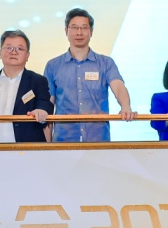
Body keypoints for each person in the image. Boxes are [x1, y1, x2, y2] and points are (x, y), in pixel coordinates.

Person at [43, 8, 134, 142]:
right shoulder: (53, 65)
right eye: (74, 27)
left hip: (98, 139)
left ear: (91, 32)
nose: (79, 32)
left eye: (84, 28)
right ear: (66, 31)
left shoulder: (106, 63)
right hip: (64, 140)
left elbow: (118, 86)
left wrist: (125, 107)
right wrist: (47, 145)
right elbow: (47, 105)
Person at [0, 29, 53, 143]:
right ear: (0, 52)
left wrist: (41, 111)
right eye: (9, 48)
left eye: (20, 49)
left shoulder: (38, 81)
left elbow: (45, 104)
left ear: (27, 55)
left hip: (28, 148)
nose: (13, 52)